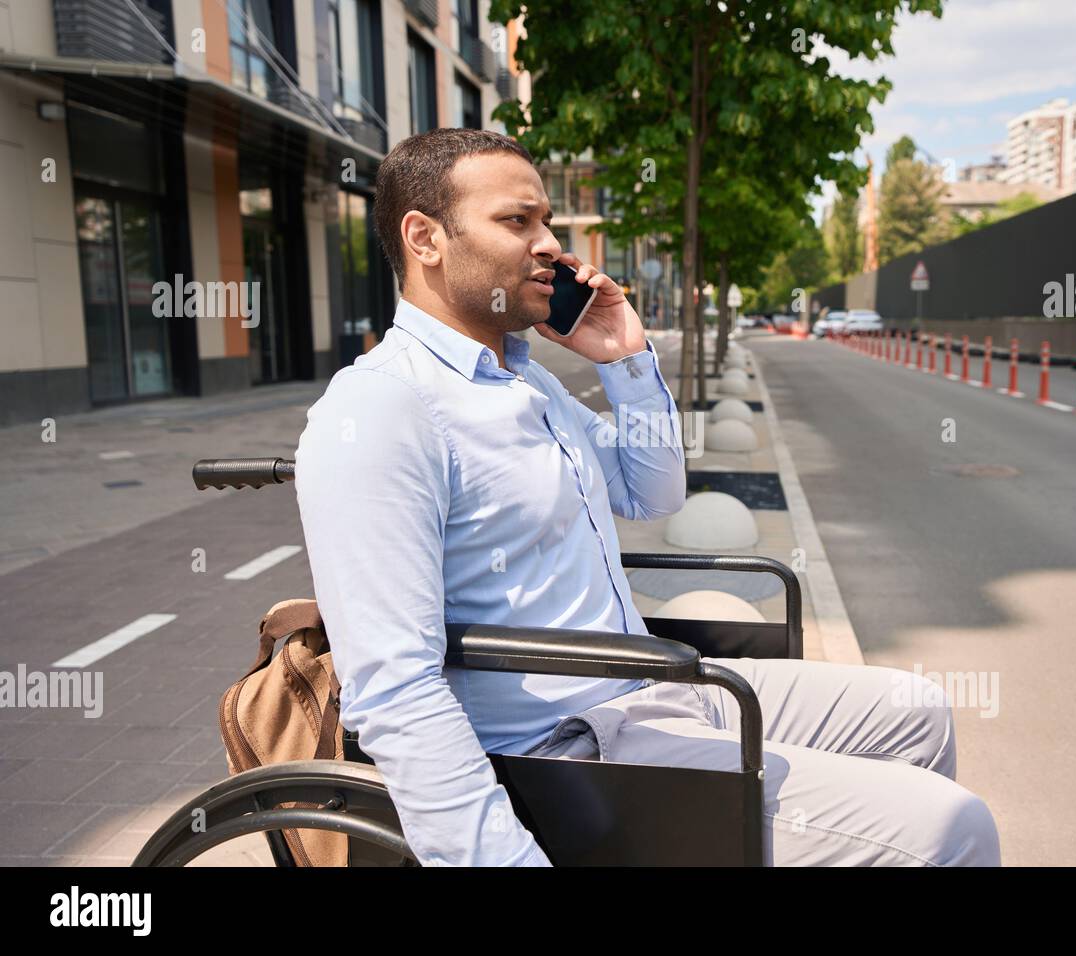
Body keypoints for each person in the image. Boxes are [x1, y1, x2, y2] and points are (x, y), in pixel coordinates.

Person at [294, 128, 1000, 867]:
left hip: (657, 681)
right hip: (568, 747)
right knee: (952, 828)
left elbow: (653, 493)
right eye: (517, 220)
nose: (552, 246)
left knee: (917, 713)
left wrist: (628, 361)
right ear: (425, 238)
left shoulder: (526, 381)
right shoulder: (381, 411)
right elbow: (395, 692)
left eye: (547, 222)